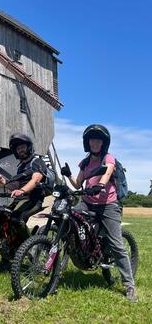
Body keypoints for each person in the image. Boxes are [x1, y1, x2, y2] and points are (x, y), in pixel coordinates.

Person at [60, 124, 138, 302]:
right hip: (88, 202)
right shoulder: (85, 162)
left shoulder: (108, 157)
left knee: (117, 244)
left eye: (98, 140)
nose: (95, 142)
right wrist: (68, 174)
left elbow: (108, 169)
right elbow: (78, 185)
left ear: (104, 143)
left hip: (108, 204)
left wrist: (101, 185)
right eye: (92, 139)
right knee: (67, 217)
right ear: (87, 143)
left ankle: (129, 285)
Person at [0, 133, 47, 270]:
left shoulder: (37, 161)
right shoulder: (20, 167)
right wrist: (3, 181)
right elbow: (15, 186)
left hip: (34, 200)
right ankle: (6, 256)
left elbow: (35, 179)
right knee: (1, 218)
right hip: (21, 200)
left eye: (22, 147)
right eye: (17, 149)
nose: (20, 150)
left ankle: (32, 247)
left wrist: (22, 191)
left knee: (17, 219)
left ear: (29, 147)